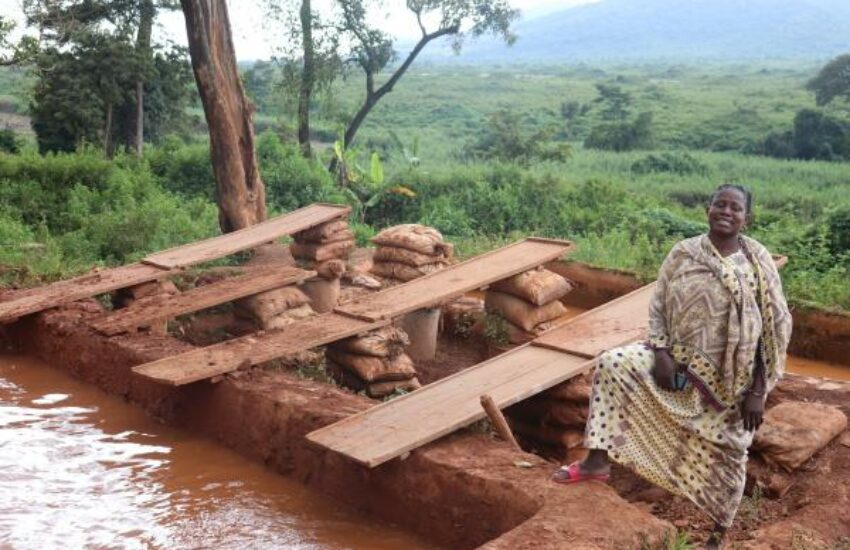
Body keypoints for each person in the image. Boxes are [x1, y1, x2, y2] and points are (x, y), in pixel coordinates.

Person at [552, 184, 792, 549]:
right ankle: (596, 462)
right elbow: (659, 306)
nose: (726, 211)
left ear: (747, 217)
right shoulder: (683, 253)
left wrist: (759, 391)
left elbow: (776, 328)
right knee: (613, 363)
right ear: (708, 208)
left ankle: (717, 532)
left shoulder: (758, 262)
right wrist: (661, 354)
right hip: (676, 365)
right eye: (720, 204)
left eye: (736, 207)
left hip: (733, 383)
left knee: (730, 449)